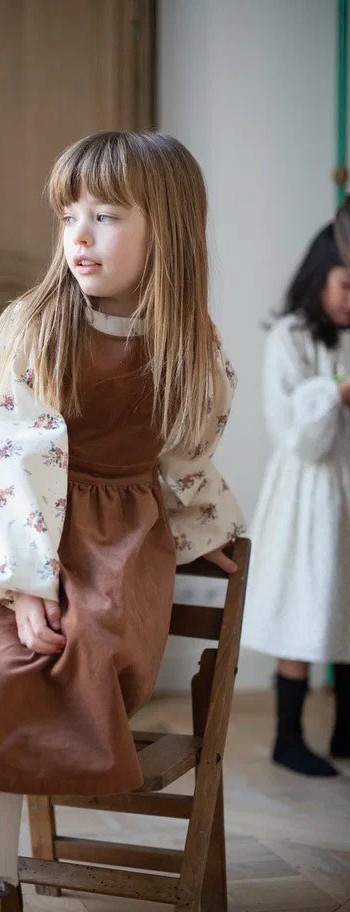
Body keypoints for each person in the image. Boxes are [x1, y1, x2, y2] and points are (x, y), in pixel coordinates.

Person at [0, 130, 245, 911]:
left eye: (105, 216)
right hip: (1, 533)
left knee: (78, 657)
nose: (79, 236)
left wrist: (204, 529)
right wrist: (22, 586)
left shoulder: (192, 347)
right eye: (69, 216)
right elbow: (6, 458)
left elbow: (186, 452)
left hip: (112, 547)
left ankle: (2, 868)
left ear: (168, 229)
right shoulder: (37, 327)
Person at [242, 207, 350, 778]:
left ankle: (346, 728)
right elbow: (297, 436)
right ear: (319, 276)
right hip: (309, 493)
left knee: (346, 599)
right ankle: (288, 736)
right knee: (308, 602)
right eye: (345, 284)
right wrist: (335, 393)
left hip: (347, 487)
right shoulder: (290, 337)